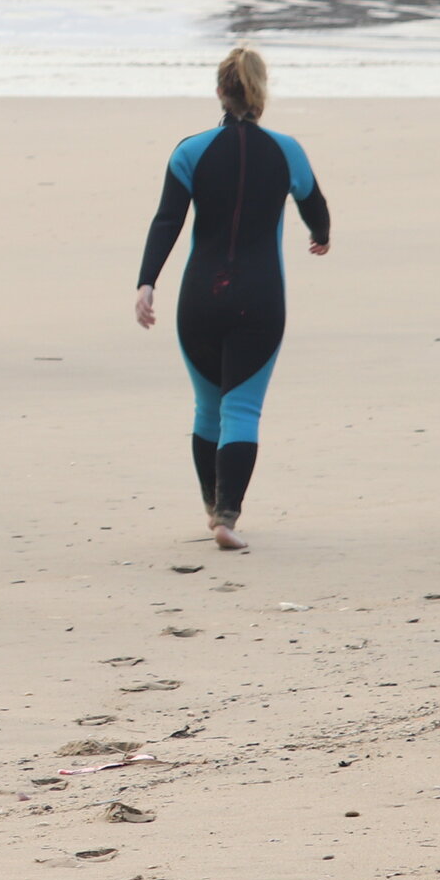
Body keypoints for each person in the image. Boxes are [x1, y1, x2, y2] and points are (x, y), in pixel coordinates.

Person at [134, 47, 329, 552]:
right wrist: (320, 235)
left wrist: (147, 282)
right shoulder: (287, 151)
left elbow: (167, 221)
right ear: (261, 91)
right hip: (260, 298)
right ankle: (227, 517)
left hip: (199, 297)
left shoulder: (190, 152)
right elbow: (317, 208)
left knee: (207, 408)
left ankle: (210, 505)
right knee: (241, 409)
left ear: (219, 91)